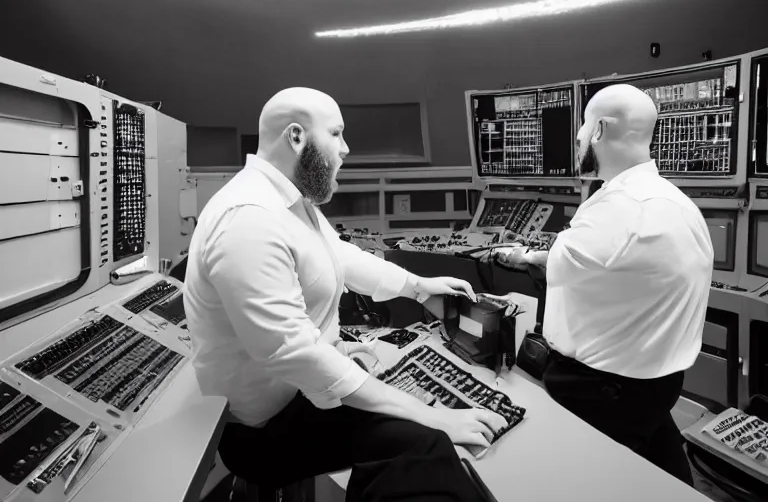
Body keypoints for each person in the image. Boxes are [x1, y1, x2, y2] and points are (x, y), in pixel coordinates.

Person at [183, 87, 507, 501]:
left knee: (399, 419)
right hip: (264, 434)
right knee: (424, 443)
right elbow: (293, 351)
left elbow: (339, 256)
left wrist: (418, 288)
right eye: (336, 134)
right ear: (297, 137)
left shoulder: (286, 201)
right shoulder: (248, 220)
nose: (346, 148)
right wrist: (432, 416)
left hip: (295, 397)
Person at [532, 84, 713, 485]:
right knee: (667, 476)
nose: (578, 137)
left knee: (578, 484)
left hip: (601, 391)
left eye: (582, 126)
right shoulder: (676, 201)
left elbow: (555, 268)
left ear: (599, 130)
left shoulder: (619, 209)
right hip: (652, 384)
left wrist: (519, 255)